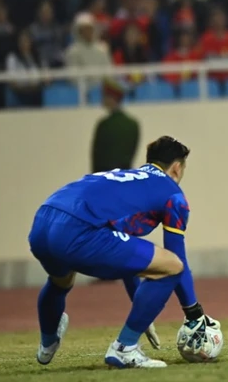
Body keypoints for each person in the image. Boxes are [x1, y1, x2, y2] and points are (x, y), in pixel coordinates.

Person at [28, 136, 217, 369]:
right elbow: (177, 260)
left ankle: (48, 342)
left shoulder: (125, 180)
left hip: (43, 222)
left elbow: (124, 253)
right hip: (78, 230)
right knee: (172, 266)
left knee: (61, 280)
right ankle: (124, 348)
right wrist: (194, 314)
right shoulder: (172, 194)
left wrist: (142, 308)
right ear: (177, 167)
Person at [91, 79, 140, 173]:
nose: (102, 99)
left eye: (104, 96)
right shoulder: (133, 124)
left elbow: (97, 157)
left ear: (111, 98)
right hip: (125, 174)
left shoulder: (104, 125)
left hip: (105, 175)